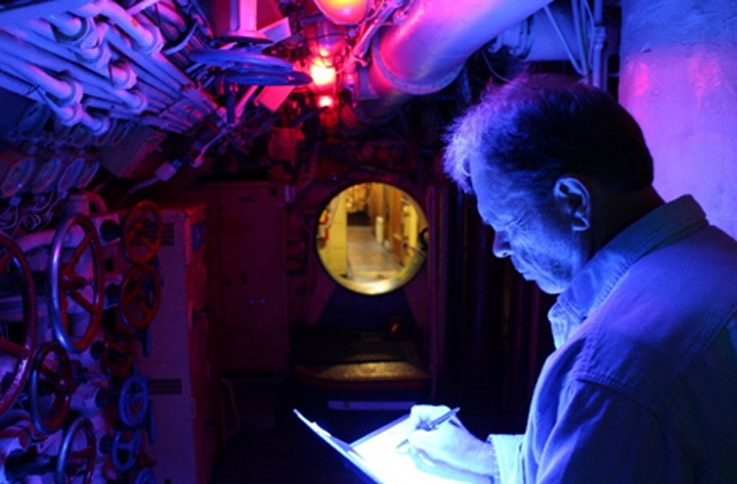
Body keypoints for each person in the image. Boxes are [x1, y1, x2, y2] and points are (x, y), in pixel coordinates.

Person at [407, 73, 737, 483]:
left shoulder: (612, 363)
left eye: (508, 224)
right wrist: (482, 457)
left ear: (574, 201)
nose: (499, 248)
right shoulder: (715, 259)